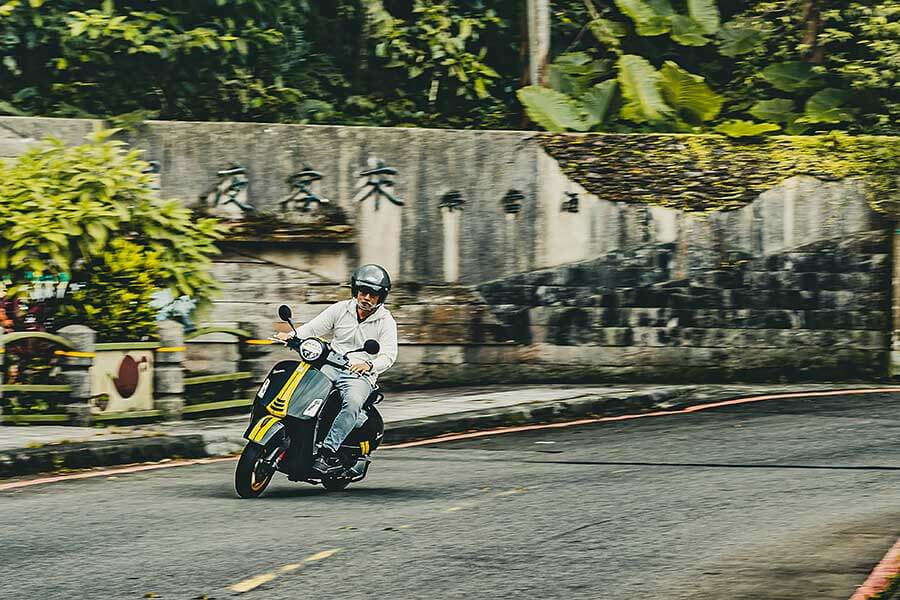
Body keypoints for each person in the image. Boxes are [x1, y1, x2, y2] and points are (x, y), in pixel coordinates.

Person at [275, 264, 398, 474]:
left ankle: (328, 452)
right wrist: (293, 336)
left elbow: (388, 355)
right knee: (299, 384)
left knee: (352, 403)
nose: (366, 297)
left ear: (381, 297)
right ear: (355, 291)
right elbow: (313, 328)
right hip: (329, 363)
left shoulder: (386, 322)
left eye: (373, 294)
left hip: (358, 373)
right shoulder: (341, 309)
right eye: (363, 292)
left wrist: (368, 364)